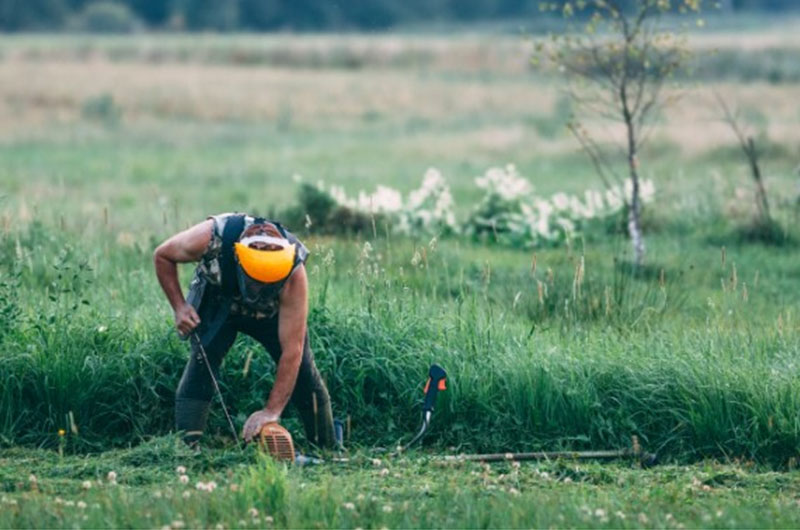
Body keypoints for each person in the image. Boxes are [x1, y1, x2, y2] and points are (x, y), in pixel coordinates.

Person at [153, 213, 335, 447]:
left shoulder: (294, 272)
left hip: (271, 313)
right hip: (219, 299)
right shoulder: (210, 237)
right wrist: (179, 306)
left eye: (270, 282)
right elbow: (162, 255)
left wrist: (271, 412)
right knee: (203, 360)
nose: (261, 288)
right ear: (239, 261)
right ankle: (187, 450)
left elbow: (293, 351)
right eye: (257, 281)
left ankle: (326, 449)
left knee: (305, 372)